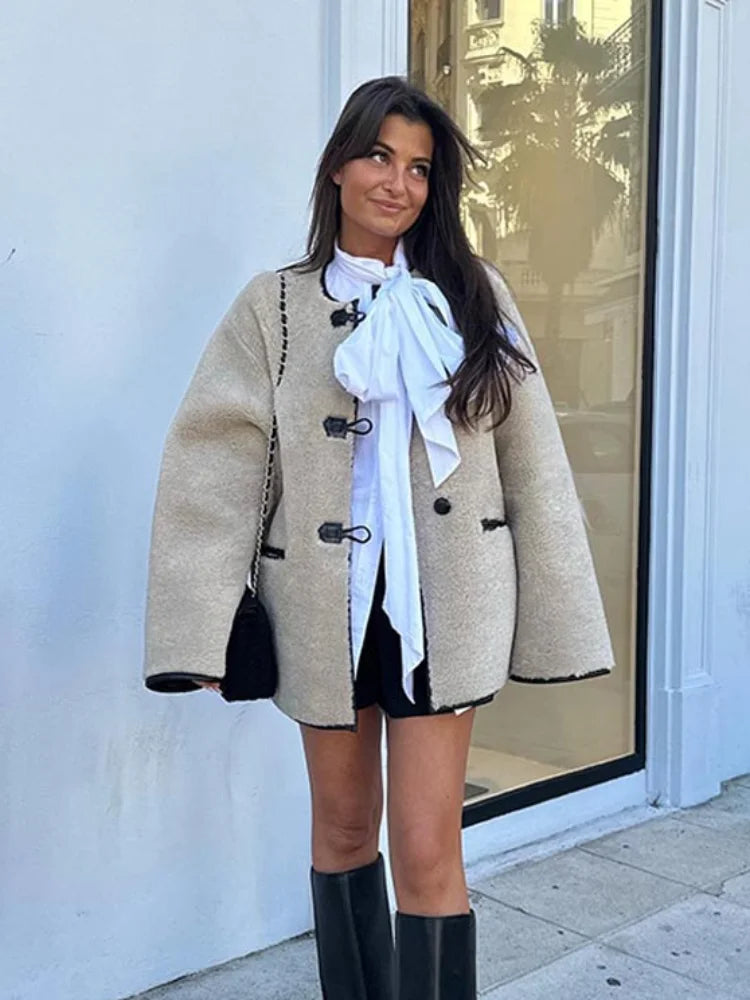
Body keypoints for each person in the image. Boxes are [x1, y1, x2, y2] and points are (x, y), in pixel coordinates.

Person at [142, 76, 614, 999]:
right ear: (337, 168)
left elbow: (533, 460)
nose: (398, 183)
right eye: (379, 157)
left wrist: (558, 613)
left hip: (445, 609)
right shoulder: (275, 306)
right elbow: (216, 466)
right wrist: (200, 627)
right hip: (325, 610)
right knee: (344, 830)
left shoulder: (472, 294)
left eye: (420, 168)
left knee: (429, 847)